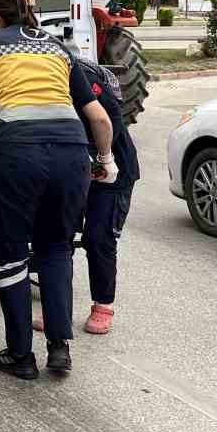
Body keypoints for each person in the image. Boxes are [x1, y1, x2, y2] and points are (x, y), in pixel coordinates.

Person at [0, 0, 115, 379]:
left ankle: (20, 355)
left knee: (12, 251)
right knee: (56, 248)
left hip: (17, 153)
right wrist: (104, 160)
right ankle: (59, 348)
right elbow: (99, 117)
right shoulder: (58, 48)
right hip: (71, 152)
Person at [73, 57, 139, 336]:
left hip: (112, 168)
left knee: (98, 237)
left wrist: (103, 159)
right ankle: (57, 307)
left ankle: (103, 305)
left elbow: (106, 118)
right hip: (75, 166)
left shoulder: (81, 77)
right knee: (57, 236)